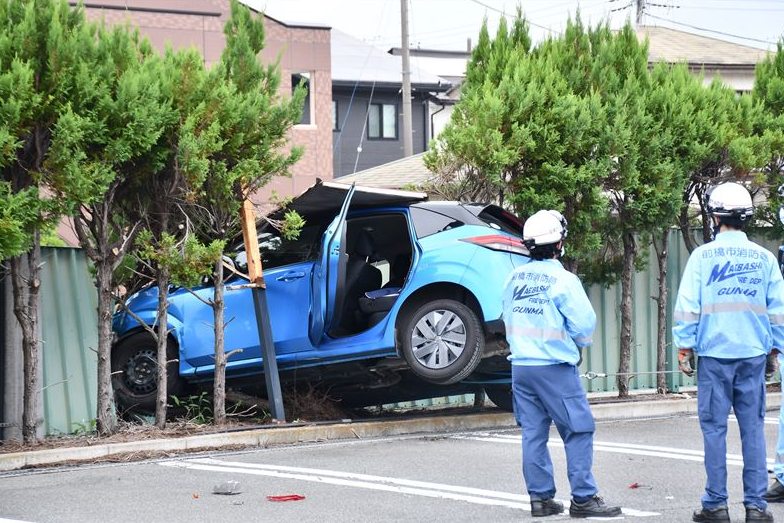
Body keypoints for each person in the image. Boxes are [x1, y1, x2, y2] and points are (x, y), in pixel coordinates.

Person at [673, 182, 784, 523]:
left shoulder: (702, 257)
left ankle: (716, 506)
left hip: (714, 357)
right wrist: (776, 349)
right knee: (753, 430)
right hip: (753, 356)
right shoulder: (765, 259)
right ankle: (756, 507)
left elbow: (688, 307)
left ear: (716, 216)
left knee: (714, 430)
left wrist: (685, 347)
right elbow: (778, 311)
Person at [502, 209, 622, 518]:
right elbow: (584, 324)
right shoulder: (563, 279)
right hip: (554, 368)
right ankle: (583, 497)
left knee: (533, 433)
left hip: (521, 369)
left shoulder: (513, 278)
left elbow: (506, 317)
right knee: (578, 430)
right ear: (558, 244)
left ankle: (540, 499)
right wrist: (576, 345)